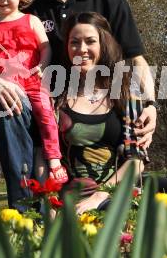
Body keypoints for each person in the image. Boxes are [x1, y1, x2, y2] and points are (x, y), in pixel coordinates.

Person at [0, 0, 157, 211]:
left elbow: (136, 59)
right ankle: (25, 214)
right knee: (4, 103)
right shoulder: (25, 4)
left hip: (100, 107)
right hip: (37, 105)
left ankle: (108, 194)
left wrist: (150, 104)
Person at [0, 0, 68, 192]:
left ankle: (54, 157)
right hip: (2, 84)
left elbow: (46, 48)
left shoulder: (31, 21)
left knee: (45, 110)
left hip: (31, 81)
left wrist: (42, 66)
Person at [55, 11, 147, 214]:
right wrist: (50, 203)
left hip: (118, 194)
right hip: (74, 199)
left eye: (90, 41)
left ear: (103, 44)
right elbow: (47, 156)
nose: (82, 49)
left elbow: (136, 161)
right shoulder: (57, 98)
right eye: (74, 42)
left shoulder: (125, 91)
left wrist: (100, 195)